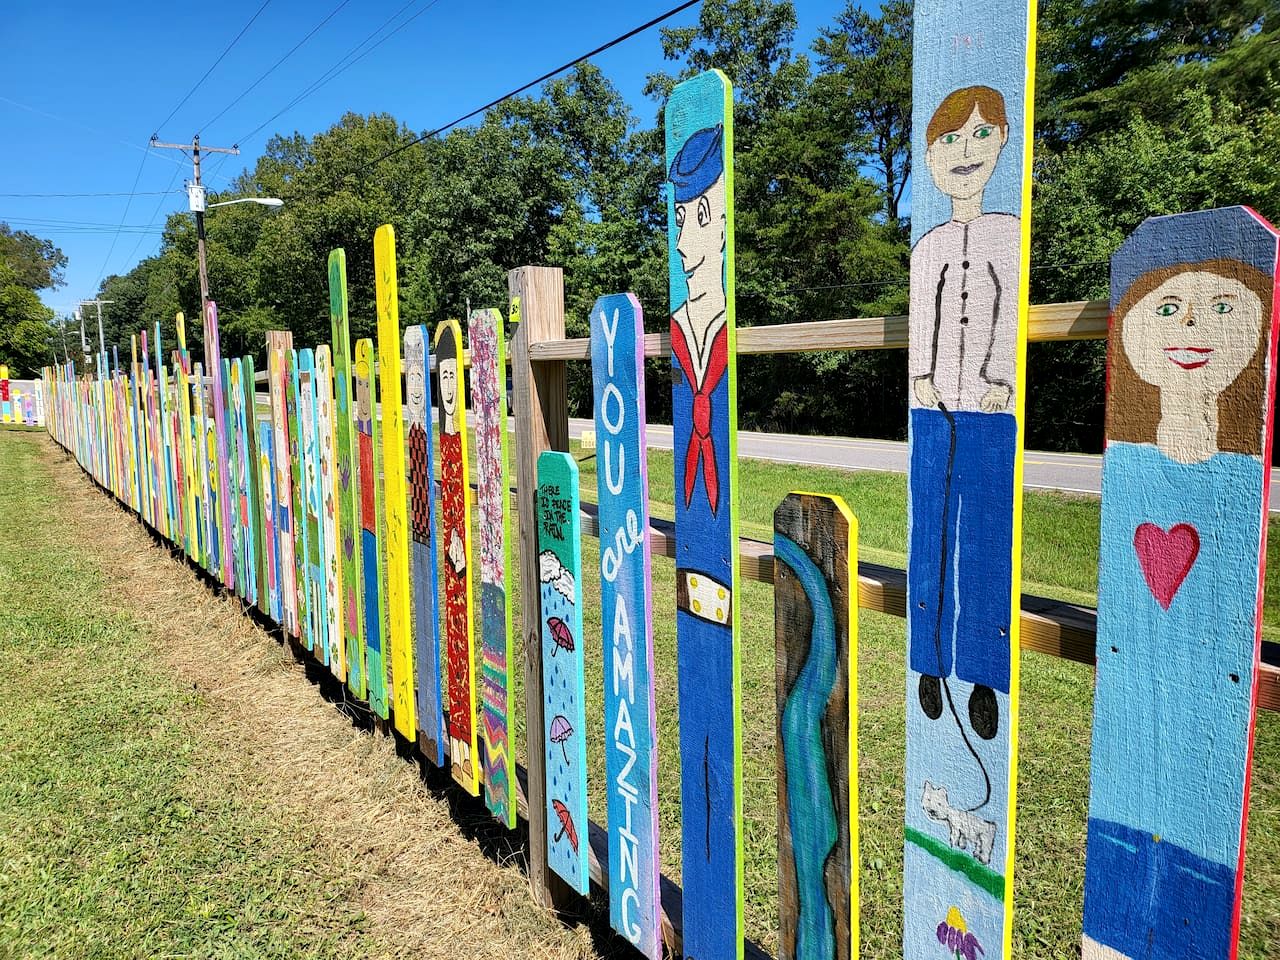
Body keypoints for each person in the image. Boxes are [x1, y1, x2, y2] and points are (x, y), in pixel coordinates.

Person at [1083, 249, 1272, 960]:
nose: (1193, 328)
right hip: (1132, 706)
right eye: (1169, 309)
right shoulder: (1131, 460)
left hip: (1203, 699)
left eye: (1222, 309)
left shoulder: (1237, 473)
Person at [908, 85, 1020, 747]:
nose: (965, 151)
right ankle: (928, 661)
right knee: (930, 534)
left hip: (988, 411)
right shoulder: (929, 246)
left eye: (980, 134)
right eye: (949, 140)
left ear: (1002, 138)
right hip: (932, 410)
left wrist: (999, 379)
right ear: (930, 158)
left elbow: (1005, 310)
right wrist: (922, 377)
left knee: (983, 541)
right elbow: (925, 319)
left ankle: (980, 671)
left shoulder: (1007, 235)